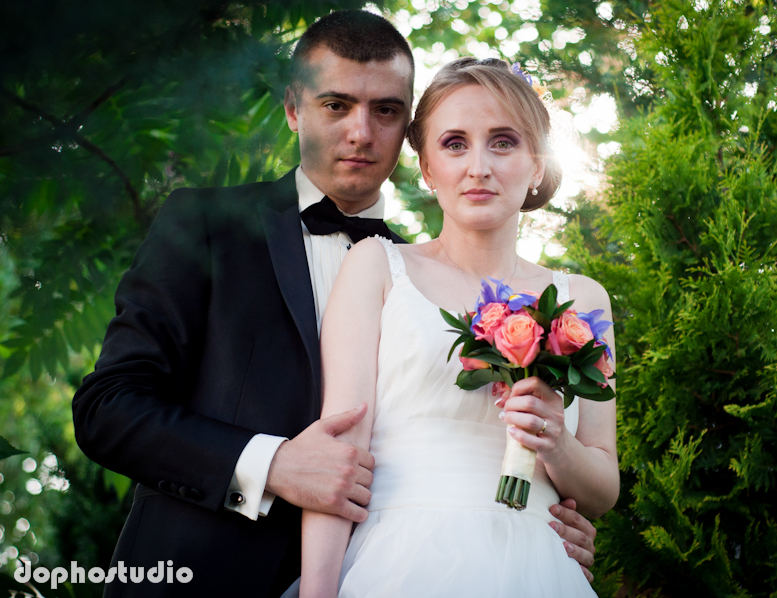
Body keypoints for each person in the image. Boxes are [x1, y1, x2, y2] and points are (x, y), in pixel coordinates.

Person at [71, 11, 597, 597]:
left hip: (393, 571)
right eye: (336, 105)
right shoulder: (204, 225)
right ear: (294, 107)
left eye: (387, 111)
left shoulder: (418, 282)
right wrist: (271, 465)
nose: (362, 132)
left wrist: (541, 529)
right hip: (200, 577)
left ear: (410, 133)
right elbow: (108, 408)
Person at [297, 57, 619, 598]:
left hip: (537, 564)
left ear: (537, 165)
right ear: (426, 167)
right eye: (454, 143)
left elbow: (603, 486)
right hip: (399, 557)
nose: (478, 166)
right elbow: (340, 452)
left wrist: (555, 439)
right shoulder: (377, 266)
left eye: (503, 142)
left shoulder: (581, 299)